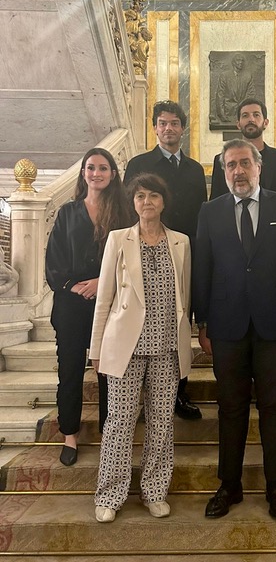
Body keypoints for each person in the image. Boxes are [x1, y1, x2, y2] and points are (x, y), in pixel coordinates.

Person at [194, 139, 276, 520]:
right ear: (223, 171)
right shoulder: (209, 211)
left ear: (259, 167)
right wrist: (202, 321)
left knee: (275, 405)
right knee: (230, 406)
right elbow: (203, 270)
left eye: (245, 163)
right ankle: (229, 485)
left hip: (275, 323)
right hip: (226, 325)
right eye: (231, 165)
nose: (238, 171)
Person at [90, 173, 192, 523]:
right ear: (132, 202)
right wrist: (95, 348)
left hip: (167, 348)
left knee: (162, 421)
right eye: (140, 196)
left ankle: (154, 491)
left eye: (153, 196)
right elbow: (104, 298)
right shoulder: (118, 240)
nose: (147, 202)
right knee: (119, 421)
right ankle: (110, 494)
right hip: (125, 347)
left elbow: (185, 298)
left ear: (164, 201)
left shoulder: (181, 242)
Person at [45, 148, 132, 466]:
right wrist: (72, 286)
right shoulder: (67, 212)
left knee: (108, 372)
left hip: (109, 303)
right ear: (83, 173)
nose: (97, 173)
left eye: (103, 168)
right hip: (70, 304)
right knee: (69, 371)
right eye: (91, 167)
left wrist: (100, 283)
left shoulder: (124, 213)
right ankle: (70, 435)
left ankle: (111, 433)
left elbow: (128, 260)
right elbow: (53, 259)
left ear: (112, 175)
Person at [124, 99, 207, 420]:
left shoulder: (195, 169)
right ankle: (143, 392)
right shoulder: (139, 164)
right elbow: (125, 208)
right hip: (143, 252)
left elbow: (202, 216)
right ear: (155, 128)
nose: (168, 128)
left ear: (182, 129)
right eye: (162, 123)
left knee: (178, 325)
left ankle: (178, 393)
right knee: (142, 323)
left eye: (174, 123)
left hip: (182, 254)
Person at [209, 98, 276, 200]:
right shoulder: (223, 160)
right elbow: (216, 203)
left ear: (265, 122)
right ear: (238, 124)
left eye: (256, 115)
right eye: (245, 115)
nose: (251, 119)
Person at [214, 53, 256, 126]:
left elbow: (251, 94)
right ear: (233, 62)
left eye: (242, 61)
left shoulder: (248, 76)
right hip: (228, 112)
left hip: (243, 112)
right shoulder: (225, 76)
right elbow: (220, 95)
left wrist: (246, 109)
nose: (240, 62)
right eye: (238, 60)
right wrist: (221, 114)